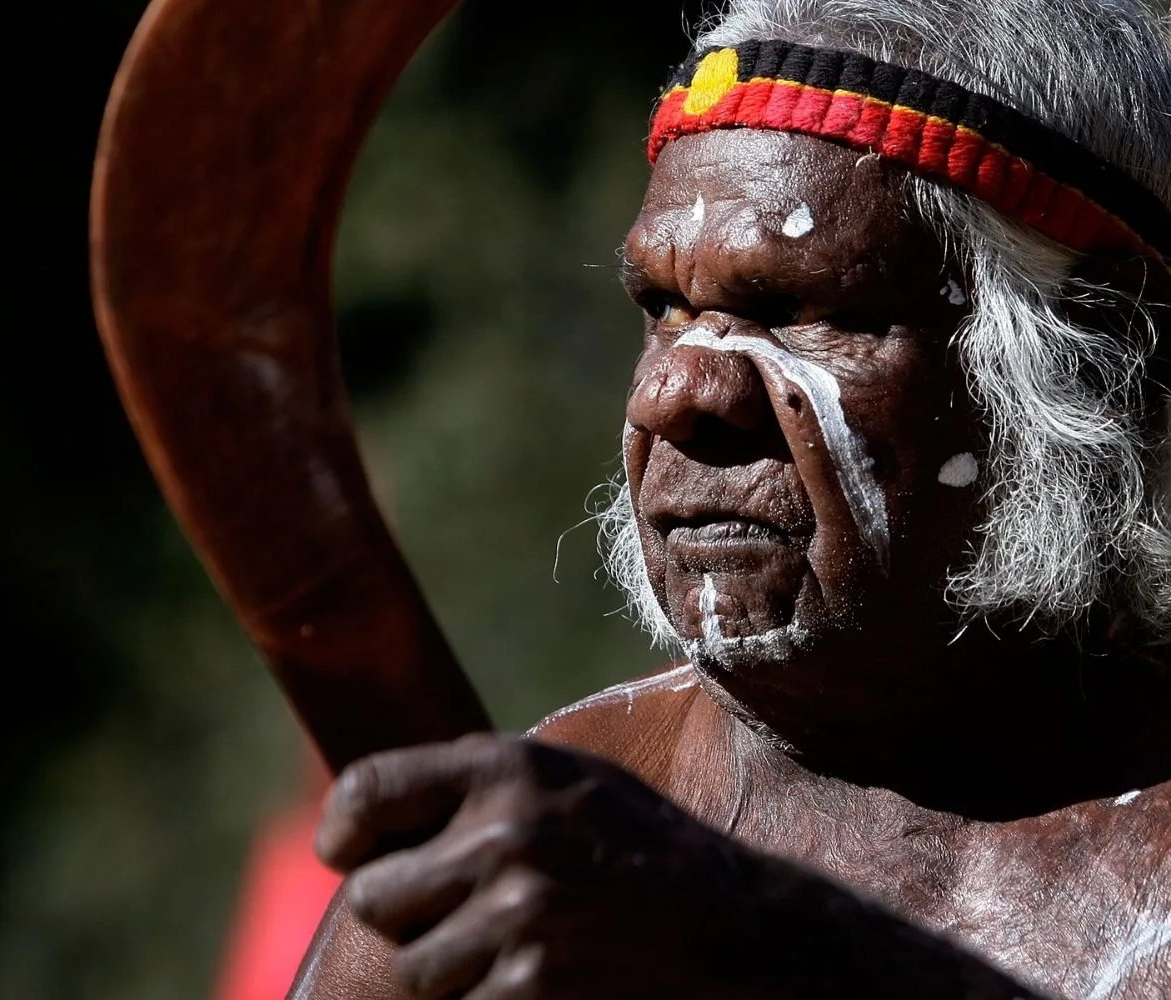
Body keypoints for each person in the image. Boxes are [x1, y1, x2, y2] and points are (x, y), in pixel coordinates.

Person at [289, 0, 1171, 997]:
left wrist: (761, 948)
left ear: (1111, 351)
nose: (674, 395)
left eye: (794, 311)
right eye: (661, 308)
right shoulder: (566, 821)